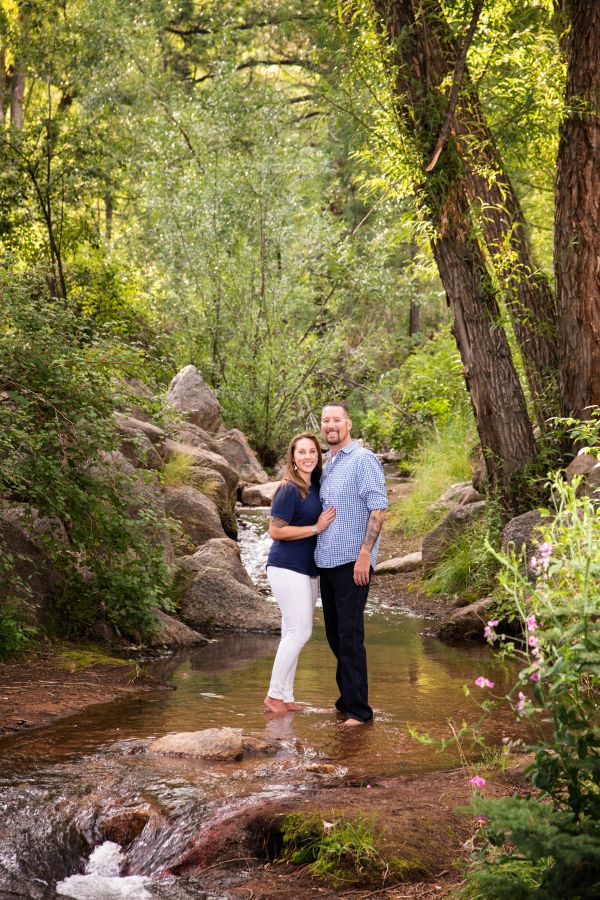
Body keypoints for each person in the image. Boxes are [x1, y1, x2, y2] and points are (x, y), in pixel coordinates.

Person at [315, 402, 388, 727]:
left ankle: (359, 711)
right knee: (334, 634)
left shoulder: (363, 460)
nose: (331, 425)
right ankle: (346, 698)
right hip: (327, 562)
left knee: (350, 635)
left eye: (336, 420)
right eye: (326, 420)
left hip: (352, 562)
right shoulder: (327, 466)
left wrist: (365, 555)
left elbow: (378, 509)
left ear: (348, 424)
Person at [264, 432, 336, 714]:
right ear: (292, 458)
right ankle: (272, 696)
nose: (307, 457)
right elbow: (275, 530)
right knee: (300, 632)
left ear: (318, 456)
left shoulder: (316, 485)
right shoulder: (288, 489)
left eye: (312, 452)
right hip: (286, 566)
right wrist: (315, 528)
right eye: (301, 452)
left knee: (290, 633)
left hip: (309, 570)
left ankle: (286, 696)